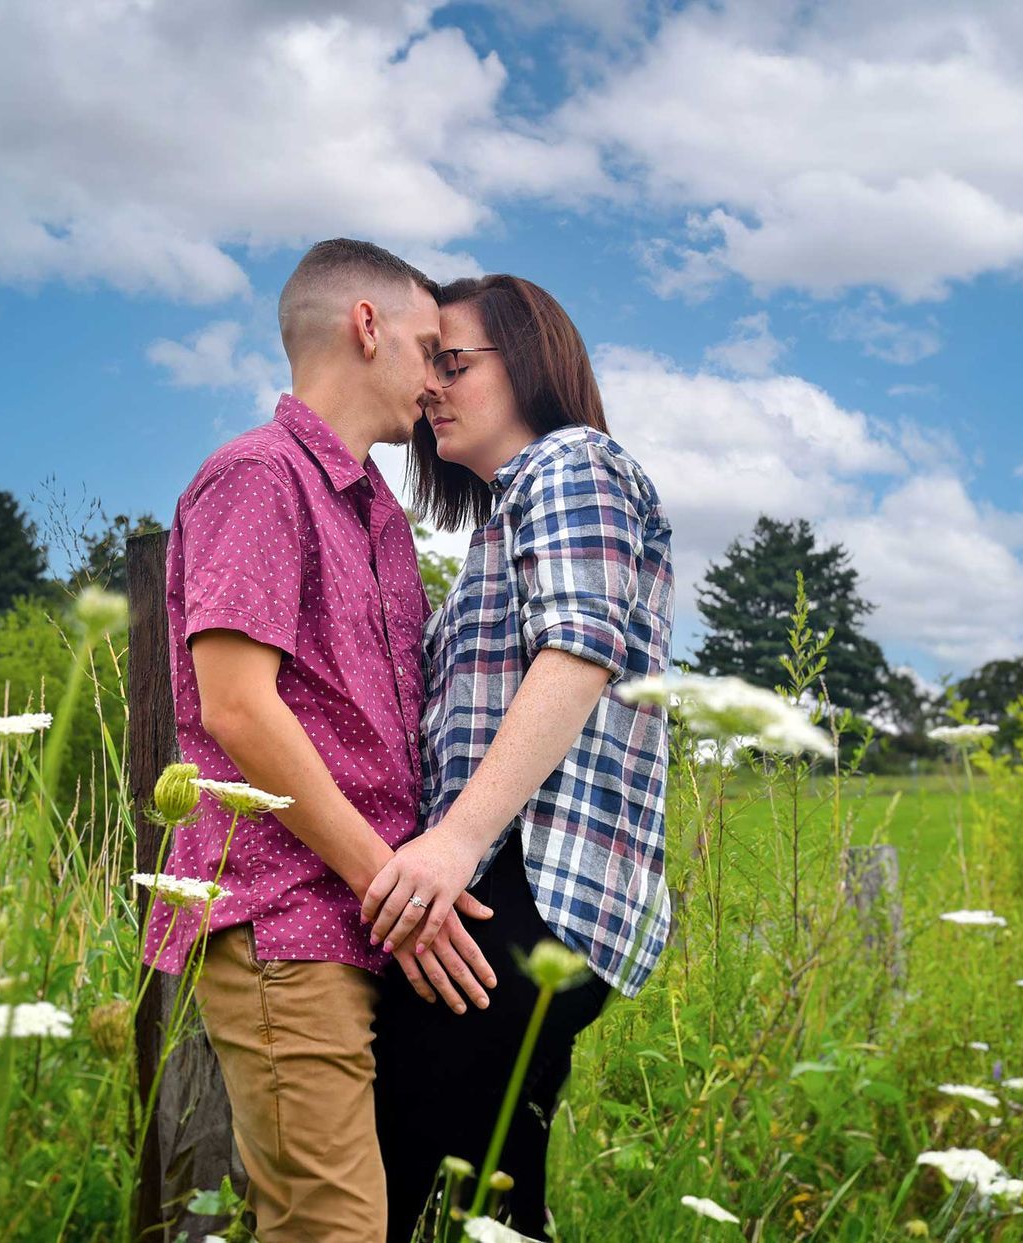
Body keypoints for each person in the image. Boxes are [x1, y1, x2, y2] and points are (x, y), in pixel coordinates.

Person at [144, 239, 499, 1241]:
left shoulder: (378, 514)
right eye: (431, 348)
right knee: (332, 1228)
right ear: (367, 326)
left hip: (356, 928)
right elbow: (239, 708)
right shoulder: (260, 478)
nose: (438, 380)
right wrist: (391, 883)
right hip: (289, 917)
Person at [365, 274, 675, 1238]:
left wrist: (453, 844)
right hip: (520, 886)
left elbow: (579, 651)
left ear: (530, 361)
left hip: (524, 884)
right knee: (487, 1199)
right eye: (427, 368)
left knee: (385, 1181)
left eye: (451, 362)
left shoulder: (570, 462)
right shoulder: (501, 520)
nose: (431, 390)